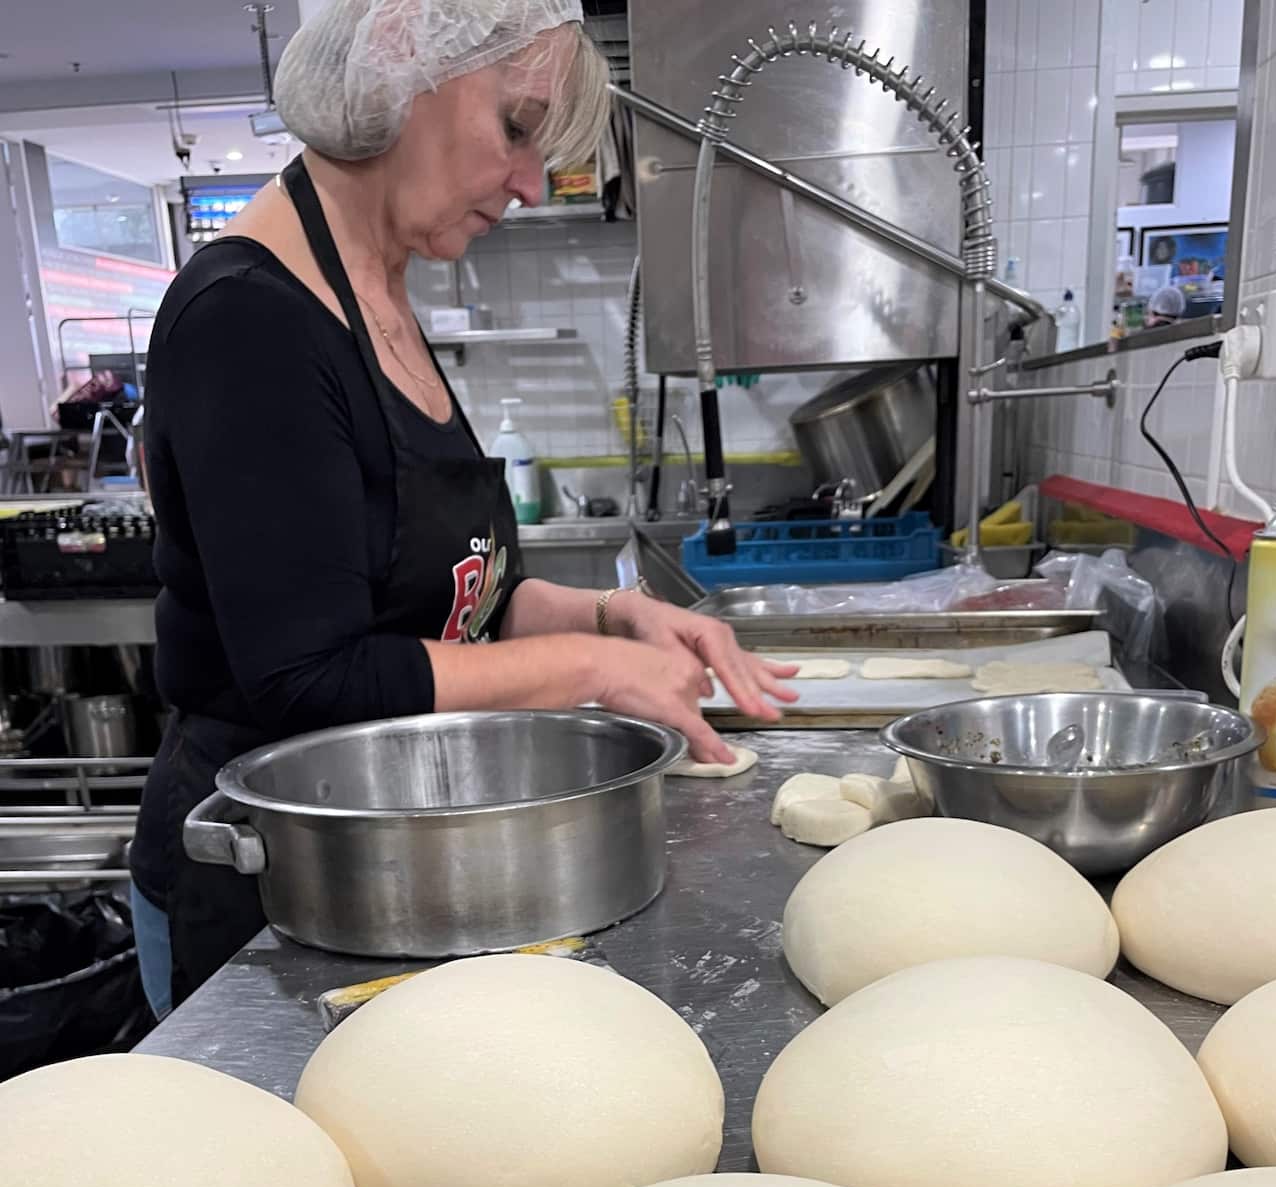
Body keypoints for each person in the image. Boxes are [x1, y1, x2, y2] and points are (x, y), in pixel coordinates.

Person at [129, 0, 796, 1018]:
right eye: (516, 128)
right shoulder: (250, 323)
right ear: (403, 67)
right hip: (270, 884)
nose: (530, 185)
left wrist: (610, 616)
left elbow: (451, 602)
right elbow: (311, 680)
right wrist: (588, 668)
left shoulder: (378, 293)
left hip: (388, 854)